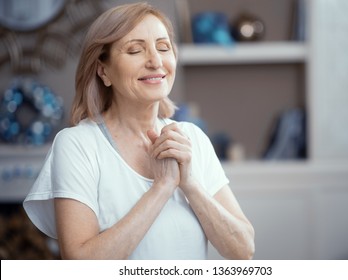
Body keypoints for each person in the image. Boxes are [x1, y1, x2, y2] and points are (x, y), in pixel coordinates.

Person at [23, 2, 255, 260]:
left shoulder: (193, 140)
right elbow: (81, 266)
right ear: (104, 70)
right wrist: (162, 187)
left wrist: (190, 184)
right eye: (135, 50)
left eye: (164, 47)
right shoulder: (77, 144)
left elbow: (243, 250)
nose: (155, 61)